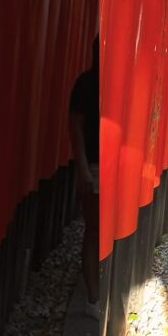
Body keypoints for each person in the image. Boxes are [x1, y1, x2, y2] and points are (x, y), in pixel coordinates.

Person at [69, 36, 100, 320]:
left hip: (117, 165)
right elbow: (76, 126)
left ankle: (105, 288)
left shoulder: (121, 81)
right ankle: (93, 298)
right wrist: (82, 168)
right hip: (95, 163)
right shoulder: (87, 83)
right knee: (94, 229)